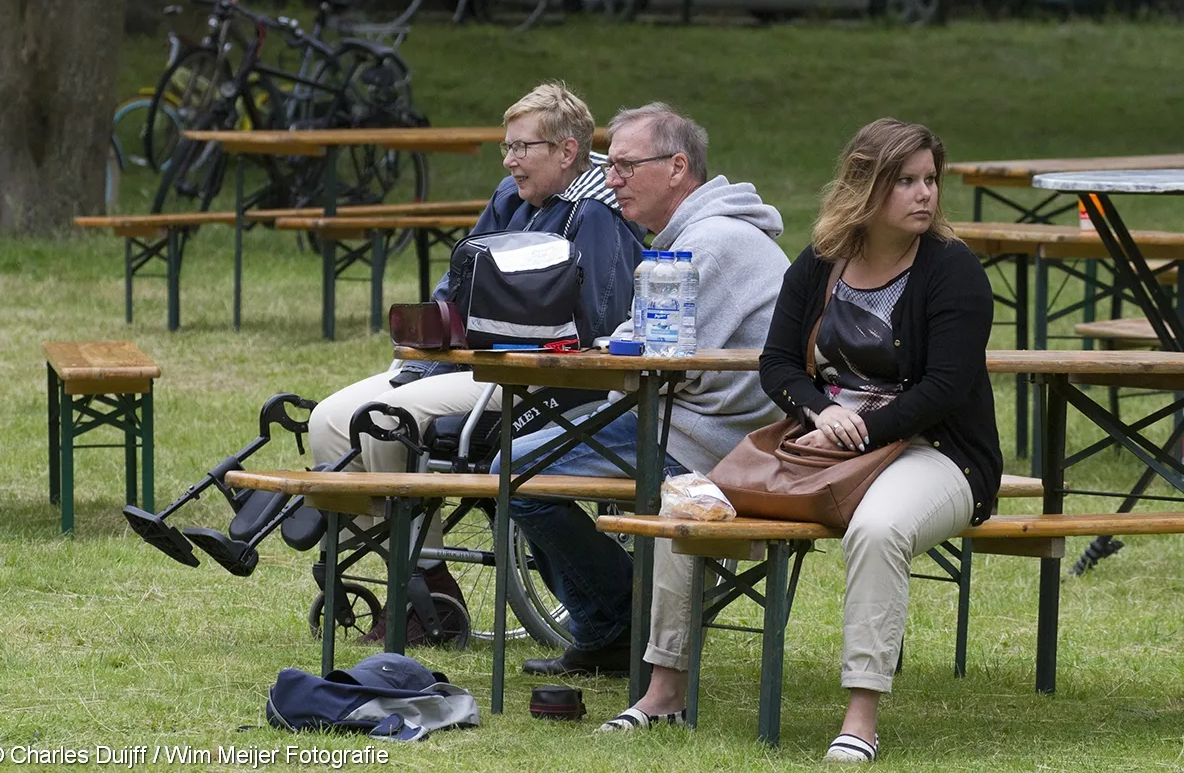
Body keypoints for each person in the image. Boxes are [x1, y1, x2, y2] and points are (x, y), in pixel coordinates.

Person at [603, 118, 1003, 762]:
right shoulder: (821, 262)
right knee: (691, 505)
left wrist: (866, 427)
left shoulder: (951, 269)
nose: (924, 194)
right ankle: (664, 692)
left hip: (937, 451)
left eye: (930, 180)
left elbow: (947, 388)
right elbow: (779, 364)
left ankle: (861, 716)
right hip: (826, 445)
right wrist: (820, 413)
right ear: (864, 185)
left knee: (878, 529)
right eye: (905, 181)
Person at [307, 82, 645, 640]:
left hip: (544, 381)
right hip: (468, 365)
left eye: (522, 147)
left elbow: (598, 324)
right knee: (328, 420)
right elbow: (457, 283)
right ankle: (425, 580)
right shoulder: (510, 200)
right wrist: (435, 322)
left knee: (389, 421)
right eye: (505, 147)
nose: (510, 160)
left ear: (567, 151)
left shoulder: (596, 216)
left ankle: (421, 594)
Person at [496, 102, 789, 677]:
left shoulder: (712, 242)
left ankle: (614, 622)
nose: (611, 179)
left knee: (513, 472)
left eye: (627, 166)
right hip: (701, 424)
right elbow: (653, 343)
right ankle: (618, 619)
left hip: (712, 443)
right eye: (611, 166)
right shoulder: (700, 235)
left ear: (678, 167)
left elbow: (662, 358)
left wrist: (607, 350)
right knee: (520, 465)